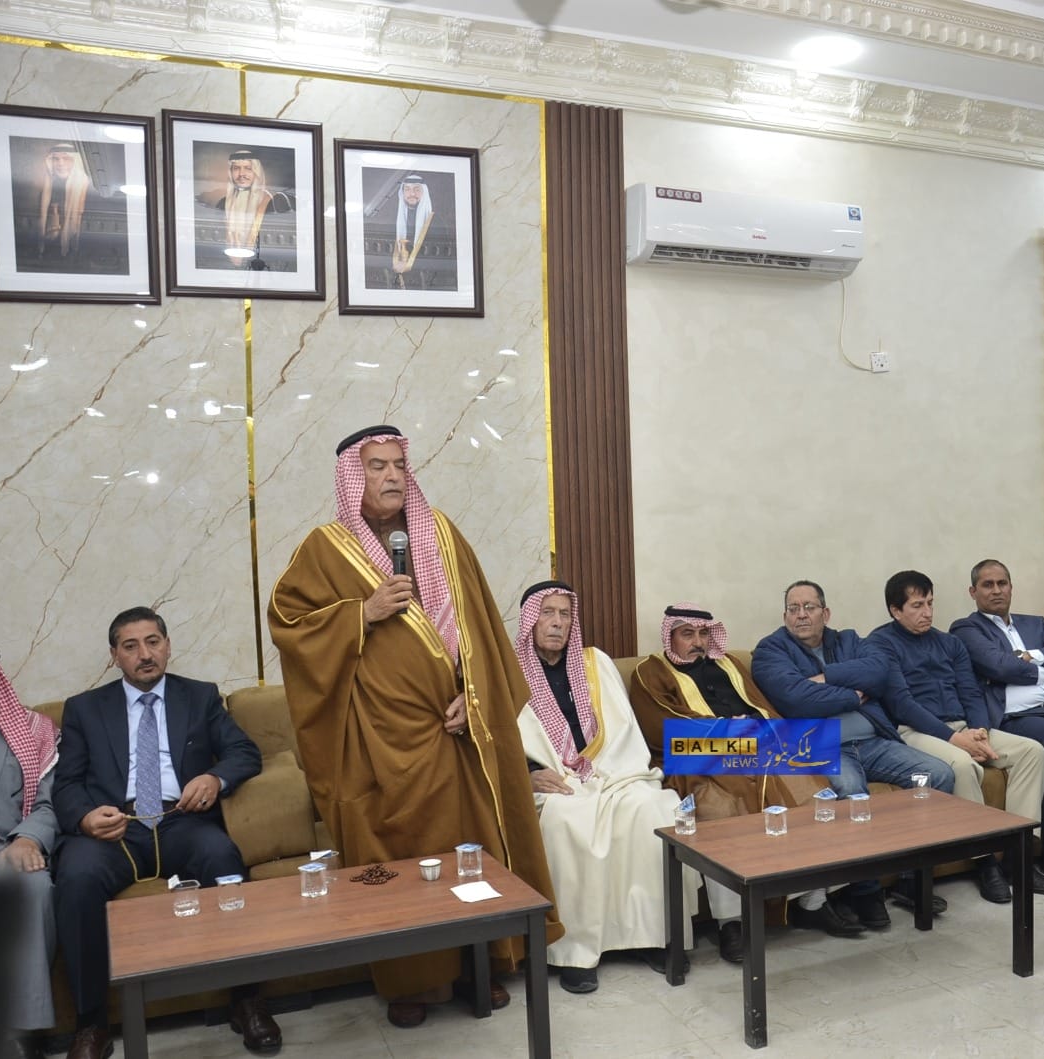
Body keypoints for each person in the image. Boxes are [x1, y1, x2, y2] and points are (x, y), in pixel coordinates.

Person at [268, 425, 560, 1028]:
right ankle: (413, 981)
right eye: (377, 466)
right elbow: (289, 626)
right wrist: (363, 612)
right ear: (353, 478)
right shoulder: (325, 549)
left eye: (399, 465)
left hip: (455, 729)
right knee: (396, 861)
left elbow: (482, 630)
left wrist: (473, 698)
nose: (392, 476)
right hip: (379, 738)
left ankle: (477, 966)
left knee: (469, 850)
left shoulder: (442, 535)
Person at [52, 608, 278, 1059]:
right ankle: (91, 1024)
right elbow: (67, 784)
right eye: (131, 646)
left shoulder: (199, 696)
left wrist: (214, 779)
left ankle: (246, 1000)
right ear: (115, 655)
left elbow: (243, 752)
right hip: (115, 829)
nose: (145, 654)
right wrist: (85, 818)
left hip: (180, 821)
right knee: (76, 879)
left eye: (153, 642)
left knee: (222, 858)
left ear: (168, 646)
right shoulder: (84, 709)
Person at [629, 603, 847, 964]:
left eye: (703, 634)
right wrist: (729, 733)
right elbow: (661, 729)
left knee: (813, 788)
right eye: (687, 634)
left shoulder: (728, 663)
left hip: (755, 746)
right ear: (670, 636)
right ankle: (731, 922)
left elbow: (763, 706)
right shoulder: (649, 672)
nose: (698, 642)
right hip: (697, 755)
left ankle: (812, 901)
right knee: (722, 811)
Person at [511, 581, 694, 994]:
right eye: (547, 613)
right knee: (566, 820)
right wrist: (527, 773)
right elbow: (498, 738)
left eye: (565, 614)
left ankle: (655, 936)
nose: (557, 623)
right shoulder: (507, 671)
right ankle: (575, 952)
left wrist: (607, 772)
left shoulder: (595, 663)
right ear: (529, 620)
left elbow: (623, 728)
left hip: (612, 771)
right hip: (551, 780)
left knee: (653, 808)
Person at [751, 579, 956, 923]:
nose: (801, 615)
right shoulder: (771, 650)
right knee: (852, 792)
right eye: (793, 608)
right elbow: (796, 700)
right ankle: (866, 892)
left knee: (939, 775)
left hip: (874, 741)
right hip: (825, 747)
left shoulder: (847, 640)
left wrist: (824, 677)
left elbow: (880, 672)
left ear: (826, 613)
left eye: (809, 607)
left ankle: (911, 881)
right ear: (785, 615)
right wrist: (853, 694)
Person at [868, 570, 1044, 904]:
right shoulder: (880, 644)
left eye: (930, 603)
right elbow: (902, 704)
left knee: (1032, 751)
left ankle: (1018, 854)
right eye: (917, 606)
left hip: (964, 727)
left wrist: (979, 731)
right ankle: (984, 862)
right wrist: (957, 741)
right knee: (962, 766)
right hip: (914, 731)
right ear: (895, 610)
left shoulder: (949, 643)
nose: (927, 612)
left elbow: (970, 692)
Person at [949, 559, 1044, 891]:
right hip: (1018, 719)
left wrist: (1031, 656)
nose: (996, 590)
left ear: (1011, 587)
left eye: (1002, 583)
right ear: (973, 592)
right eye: (987, 585)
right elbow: (999, 666)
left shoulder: (1036, 623)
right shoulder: (967, 629)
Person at [0, 641, 59, 1056]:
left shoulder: (31, 730)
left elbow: (49, 802)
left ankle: (23, 1034)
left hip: (4, 847)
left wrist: (28, 838)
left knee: (33, 887)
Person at [206, 147, 293, 270]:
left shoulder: (277, 201)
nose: (242, 174)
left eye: (248, 168)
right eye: (236, 168)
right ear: (230, 172)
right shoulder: (222, 204)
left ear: (256, 172)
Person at [32, 142, 90, 266]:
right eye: (56, 159)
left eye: (66, 158)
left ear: (74, 161)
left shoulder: (84, 183)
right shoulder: (48, 182)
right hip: (50, 243)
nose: (60, 163)